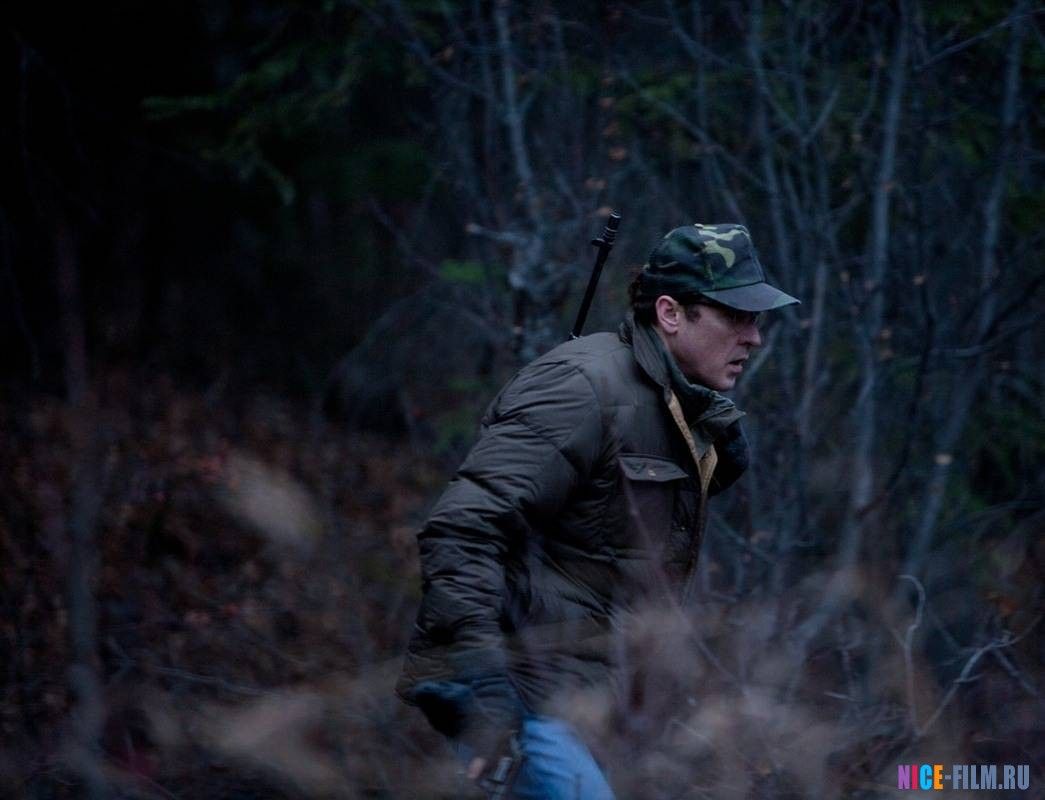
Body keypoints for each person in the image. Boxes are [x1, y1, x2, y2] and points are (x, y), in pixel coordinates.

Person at [396, 223, 799, 799]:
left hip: (583, 705)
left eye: (755, 319)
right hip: (519, 690)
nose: (754, 337)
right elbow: (461, 529)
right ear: (670, 313)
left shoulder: (676, 408)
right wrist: (487, 692)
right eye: (735, 316)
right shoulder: (582, 386)